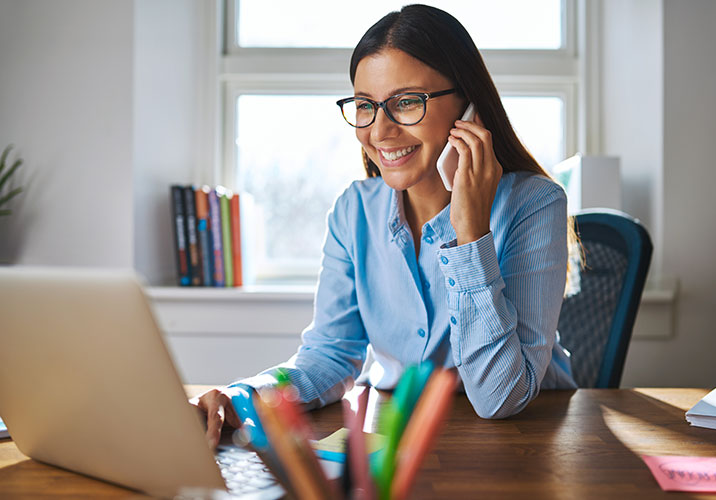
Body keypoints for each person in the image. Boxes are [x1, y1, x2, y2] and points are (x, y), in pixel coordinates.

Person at [192, 4, 577, 449]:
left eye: (407, 102)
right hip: (398, 439)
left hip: (527, 442)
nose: (380, 130)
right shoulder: (355, 210)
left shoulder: (533, 204)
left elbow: (499, 398)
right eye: (365, 106)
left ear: (468, 106)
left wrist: (470, 231)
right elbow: (331, 355)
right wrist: (244, 396)